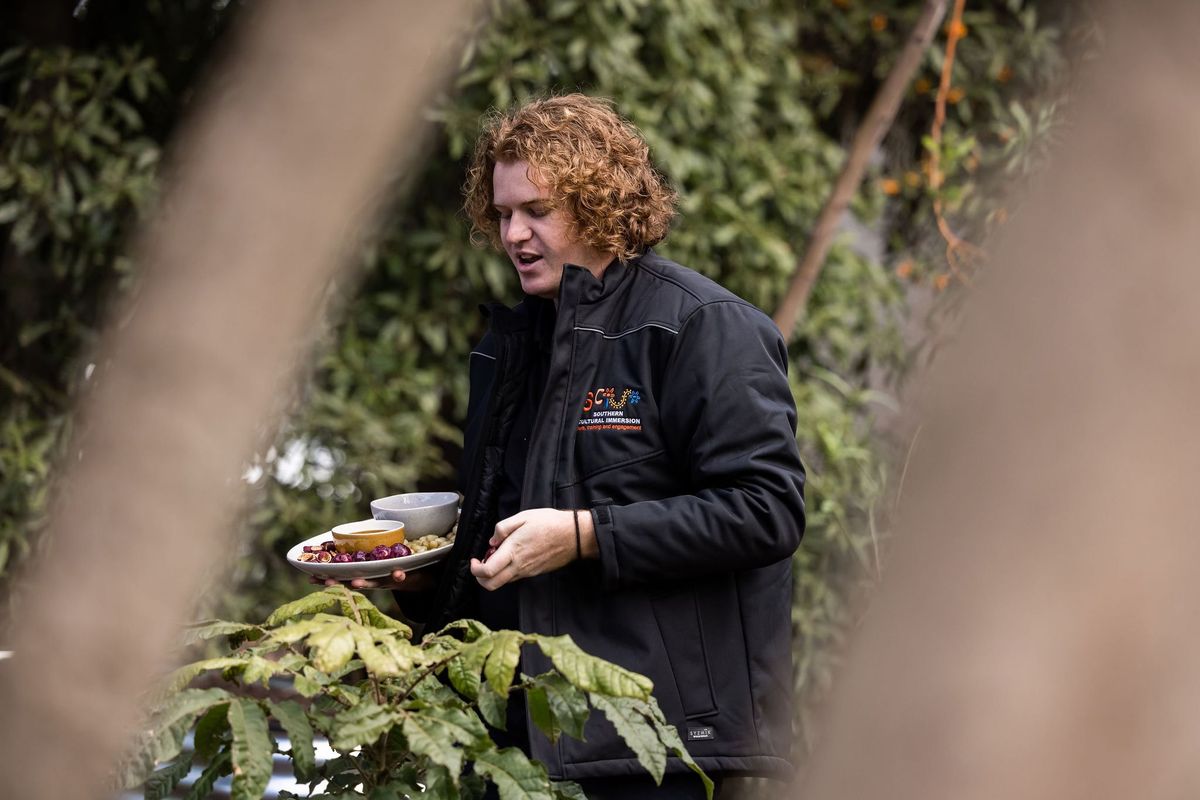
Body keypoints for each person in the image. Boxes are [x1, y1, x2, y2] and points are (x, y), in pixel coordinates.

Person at [359, 94, 806, 798]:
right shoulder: (513, 346)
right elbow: (502, 533)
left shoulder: (704, 325)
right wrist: (421, 580)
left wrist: (585, 535)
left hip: (659, 751)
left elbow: (767, 510)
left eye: (537, 211)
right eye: (503, 213)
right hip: (513, 745)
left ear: (601, 205)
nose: (513, 234)